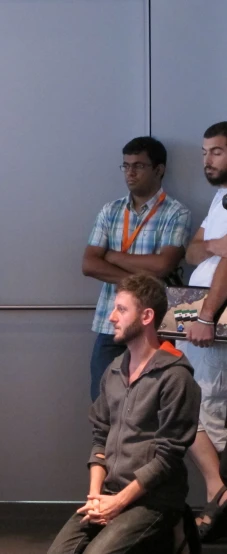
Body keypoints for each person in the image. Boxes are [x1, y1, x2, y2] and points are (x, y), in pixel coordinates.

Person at [48, 274, 200, 553]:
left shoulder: (176, 377)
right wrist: (96, 497)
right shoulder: (115, 369)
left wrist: (119, 503)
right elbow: (100, 437)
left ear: (146, 316)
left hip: (154, 499)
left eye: (121, 309)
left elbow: (167, 458)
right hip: (109, 492)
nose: (111, 317)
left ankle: (175, 531)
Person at [83, 137, 191, 401]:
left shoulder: (177, 213)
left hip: (156, 326)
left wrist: (111, 255)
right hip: (113, 326)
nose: (130, 173)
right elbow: (89, 264)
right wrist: (144, 277)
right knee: (104, 405)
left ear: (159, 169)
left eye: (139, 166)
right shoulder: (111, 211)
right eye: (126, 166)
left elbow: (163, 265)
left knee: (154, 405)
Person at [178, 121, 227, 541]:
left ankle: (217, 504)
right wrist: (214, 244)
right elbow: (193, 249)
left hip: (214, 323)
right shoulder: (219, 198)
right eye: (204, 152)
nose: (207, 160)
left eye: (216, 152)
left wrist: (207, 315)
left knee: (206, 409)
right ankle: (219, 498)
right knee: (199, 408)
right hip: (200, 321)